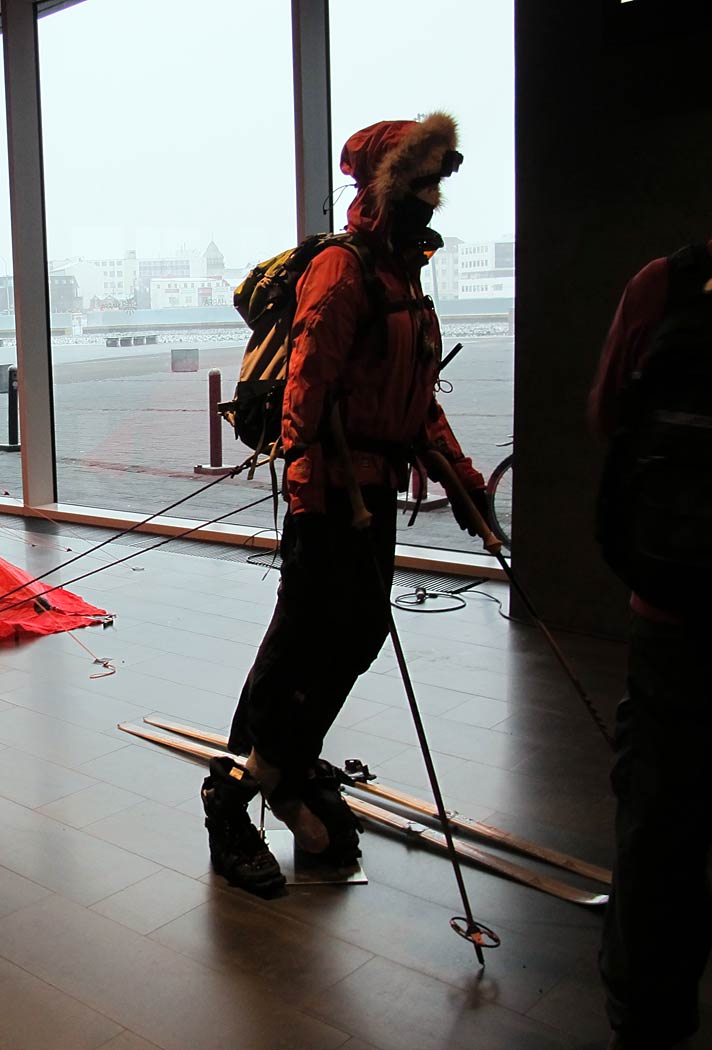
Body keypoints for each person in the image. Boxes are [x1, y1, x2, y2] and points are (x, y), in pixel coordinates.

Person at [205, 113, 492, 896]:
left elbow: (416, 403)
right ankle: (229, 798)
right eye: (423, 179)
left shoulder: (402, 278)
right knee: (301, 645)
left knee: (355, 637)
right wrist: (310, 496)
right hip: (332, 493)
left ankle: (287, 766)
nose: (434, 195)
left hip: (372, 490)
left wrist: (467, 486)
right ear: (389, 185)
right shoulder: (344, 269)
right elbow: (306, 391)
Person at [589, 236, 712, 1050]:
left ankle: (647, 1023)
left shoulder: (668, 283)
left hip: (676, 605)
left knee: (661, 829)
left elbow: (609, 417)